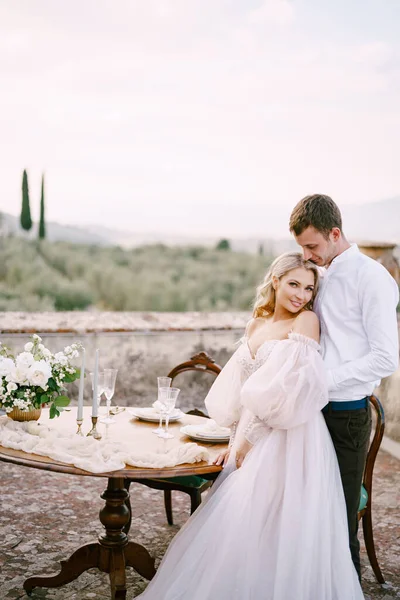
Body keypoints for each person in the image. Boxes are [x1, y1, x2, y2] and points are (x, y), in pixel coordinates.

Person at [138, 252, 364, 600]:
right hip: (248, 431)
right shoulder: (255, 324)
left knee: (273, 518)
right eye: (293, 284)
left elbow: (285, 391)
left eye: (308, 288)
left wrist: (247, 442)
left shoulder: (306, 322)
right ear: (275, 280)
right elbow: (242, 390)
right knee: (238, 521)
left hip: (290, 435)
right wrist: (233, 436)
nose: (301, 295)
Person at [289, 194, 399, 579]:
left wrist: (325, 378)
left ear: (335, 233)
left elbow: (387, 357)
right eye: (301, 246)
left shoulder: (373, 279)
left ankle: (346, 586)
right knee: (309, 513)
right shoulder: (322, 272)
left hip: (346, 415)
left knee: (340, 519)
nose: (306, 254)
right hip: (310, 409)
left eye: (312, 246)